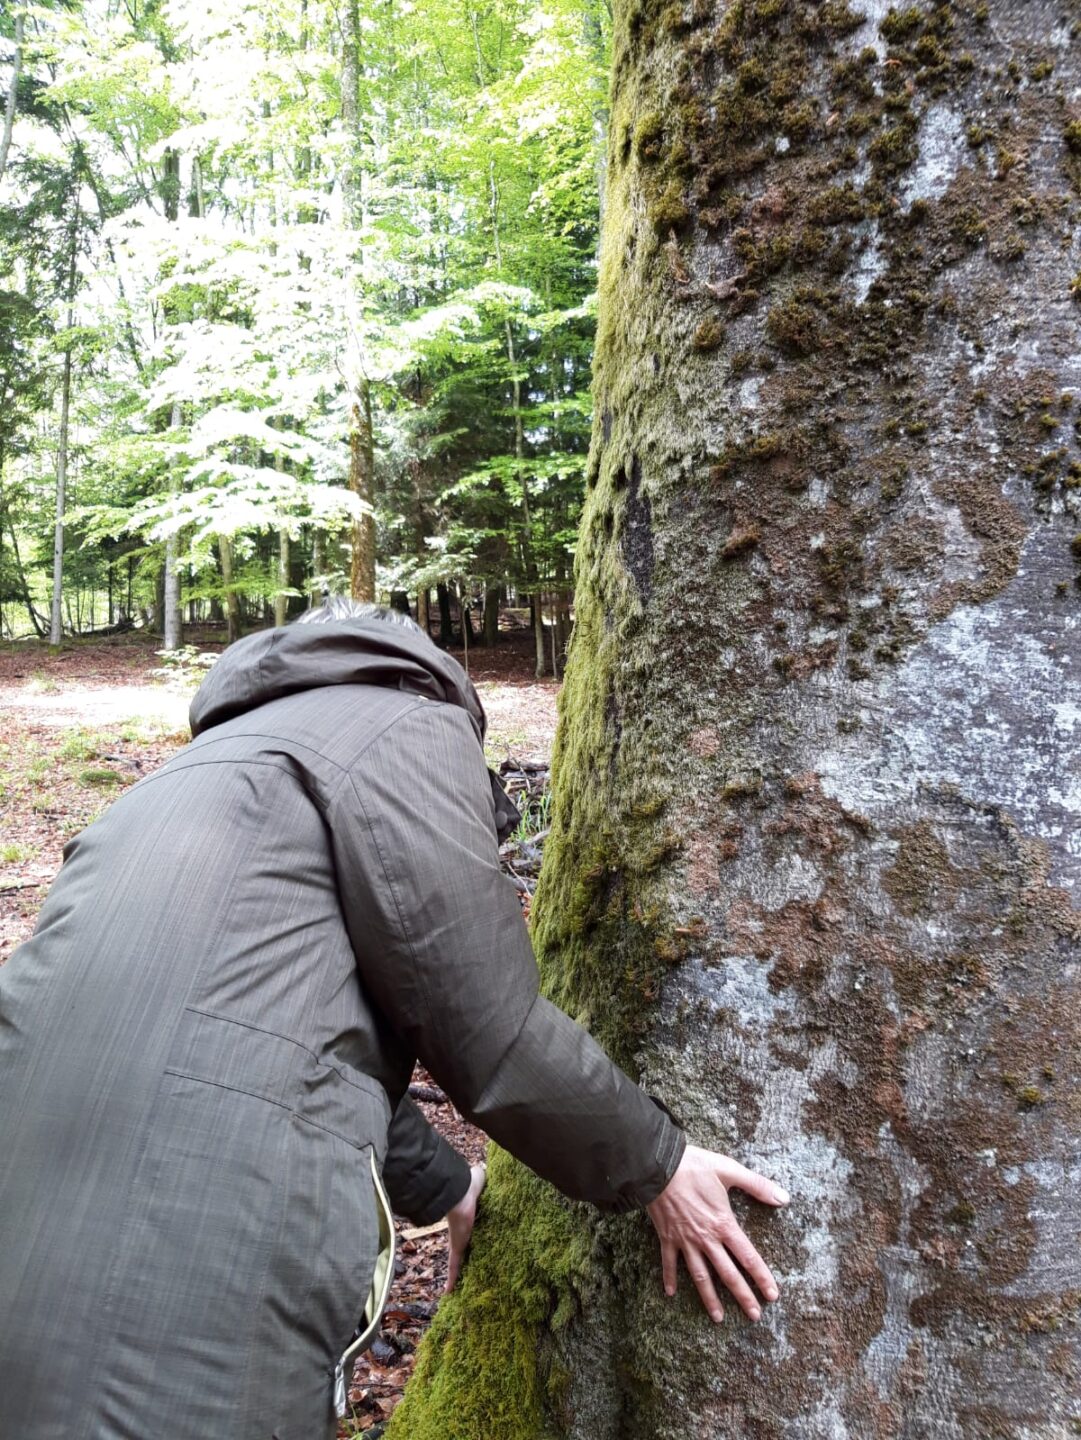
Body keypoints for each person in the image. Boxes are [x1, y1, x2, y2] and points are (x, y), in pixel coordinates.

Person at [0, 600, 788, 1440]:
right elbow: (481, 1017)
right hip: (200, 1224)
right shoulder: (405, 725)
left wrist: (447, 1189)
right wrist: (656, 1164)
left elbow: (266, 1035)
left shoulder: (192, 770)